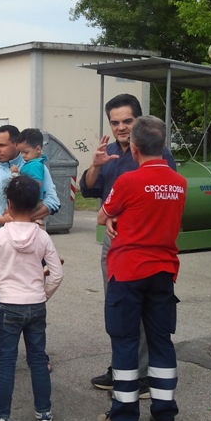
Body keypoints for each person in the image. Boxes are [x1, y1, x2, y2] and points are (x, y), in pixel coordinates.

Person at [94, 115, 186, 421]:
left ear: (134, 149)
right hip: (163, 272)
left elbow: (102, 215)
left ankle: (122, 417)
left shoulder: (128, 181)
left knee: (125, 342)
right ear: (162, 147)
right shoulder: (179, 182)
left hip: (128, 271)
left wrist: (111, 217)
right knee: (161, 342)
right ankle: (164, 414)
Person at [80, 94, 177, 395]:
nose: (121, 127)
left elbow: (163, 198)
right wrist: (95, 166)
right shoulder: (107, 152)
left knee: (145, 315)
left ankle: (144, 375)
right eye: (115, 122)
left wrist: (113, 215)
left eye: (127, 121)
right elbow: (87, 188)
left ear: (139, 121)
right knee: (118, 312)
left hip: (145, 247)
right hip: (114, 245)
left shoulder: (158, 154)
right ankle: (122, 369)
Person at [0, 175, 64, 421]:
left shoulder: (1, 236)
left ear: (9, 203)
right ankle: (44, 413)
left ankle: (0, 419)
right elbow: (57, 273)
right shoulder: (42, 237)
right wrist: (42, 294)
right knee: (38, 359)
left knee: (7, 362)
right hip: (36, 305)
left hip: (8, 306)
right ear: (36, 203)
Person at [0, 125, 60, 371]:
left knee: (33, 302)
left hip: (33, 241)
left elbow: (53, 201)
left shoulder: (36, 167)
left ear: (16, 145)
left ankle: (39, 355)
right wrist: (4, 220)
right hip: (3, 242)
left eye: (2, 145)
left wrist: (25, 216)